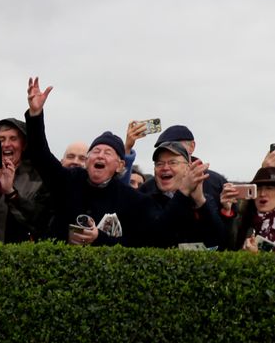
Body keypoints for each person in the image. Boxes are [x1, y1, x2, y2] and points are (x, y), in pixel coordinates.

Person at [25, 77, 207, 247]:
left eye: (108, 152)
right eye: (95, 151)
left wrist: (99, 238)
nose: (100, 156)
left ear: (120, 165)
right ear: (87, 160)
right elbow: (40, 156)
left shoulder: (132, 199)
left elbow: (153, 238)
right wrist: (35, 115)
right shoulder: (68, 180)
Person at [0, 116, 52, 242]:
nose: (6, 144)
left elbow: (40, 220)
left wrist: (11, 193)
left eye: (13, 139)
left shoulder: (38, 178)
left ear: (24, 145)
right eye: (1, 139)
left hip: (23, 254)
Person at [230, 166, 275, 252]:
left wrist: (256, 258)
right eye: (257, 189)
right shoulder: (241, 221)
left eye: (269, 188)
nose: (262, 194)